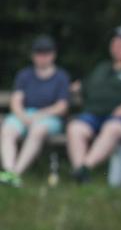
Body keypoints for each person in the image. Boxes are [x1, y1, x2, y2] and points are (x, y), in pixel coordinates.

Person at [66, 26, 121, 184]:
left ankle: (84, 168)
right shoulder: (102, 68)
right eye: (115, 44)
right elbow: (83, 86)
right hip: (95, 115)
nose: (117, 48)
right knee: (75, 128)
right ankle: (81, 176)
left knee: (112, 128)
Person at [0, 36, 70, 187]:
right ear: (33, 55)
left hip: (50, 118)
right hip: (25, 114)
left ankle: (15, 173)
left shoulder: (61, 77)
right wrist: (22, 116)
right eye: (39, 53)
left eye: (46, 53)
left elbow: (62, 106)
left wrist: (40, 115)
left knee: (38, 130)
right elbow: (16, 101)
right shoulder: (24, 75)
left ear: (53, 55)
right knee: (7, 129)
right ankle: (8, 169)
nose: (42, 57)